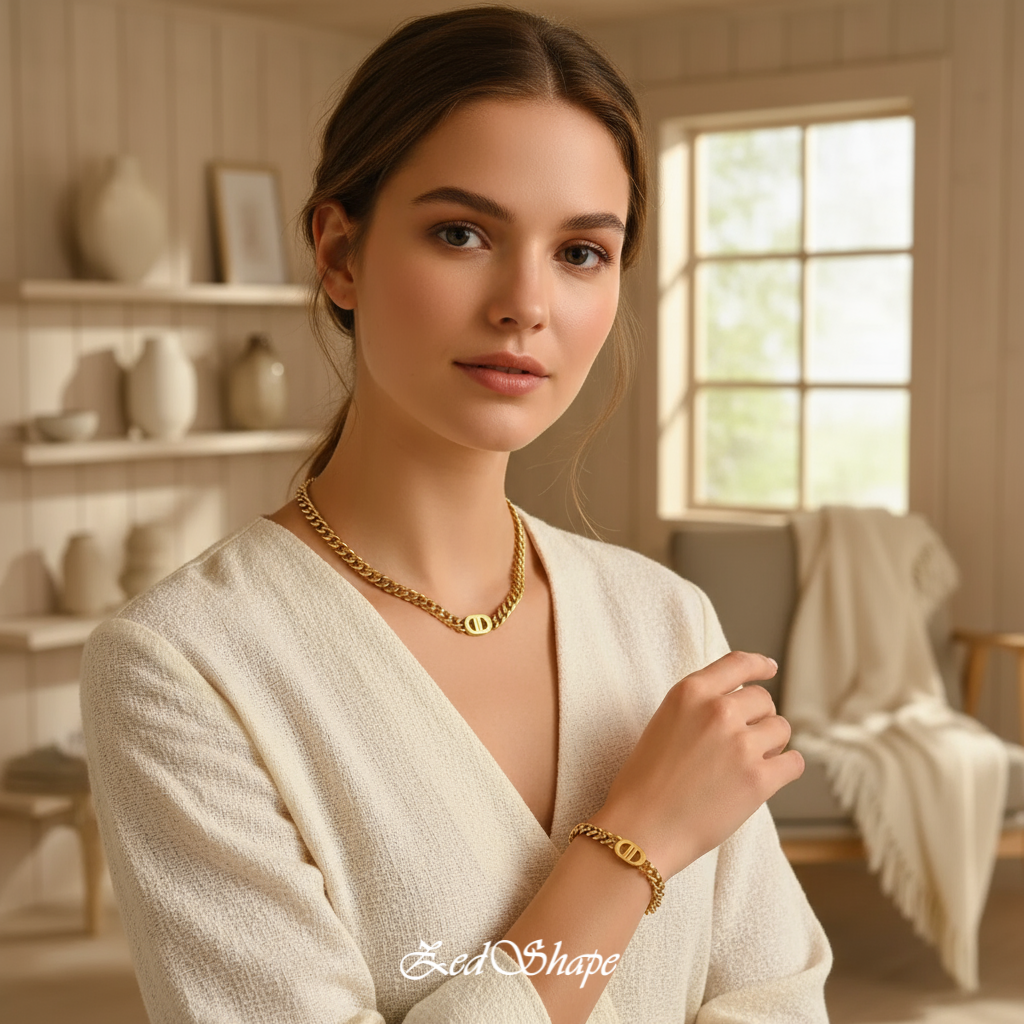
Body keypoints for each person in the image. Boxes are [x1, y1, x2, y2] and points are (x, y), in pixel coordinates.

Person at [80, 7, 832, 1023]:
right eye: (461, 233)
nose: (525, 301)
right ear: (339, 253)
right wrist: (635, 843)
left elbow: (778, 998)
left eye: (580, 252)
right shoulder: (182, 666)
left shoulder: (669, 623)